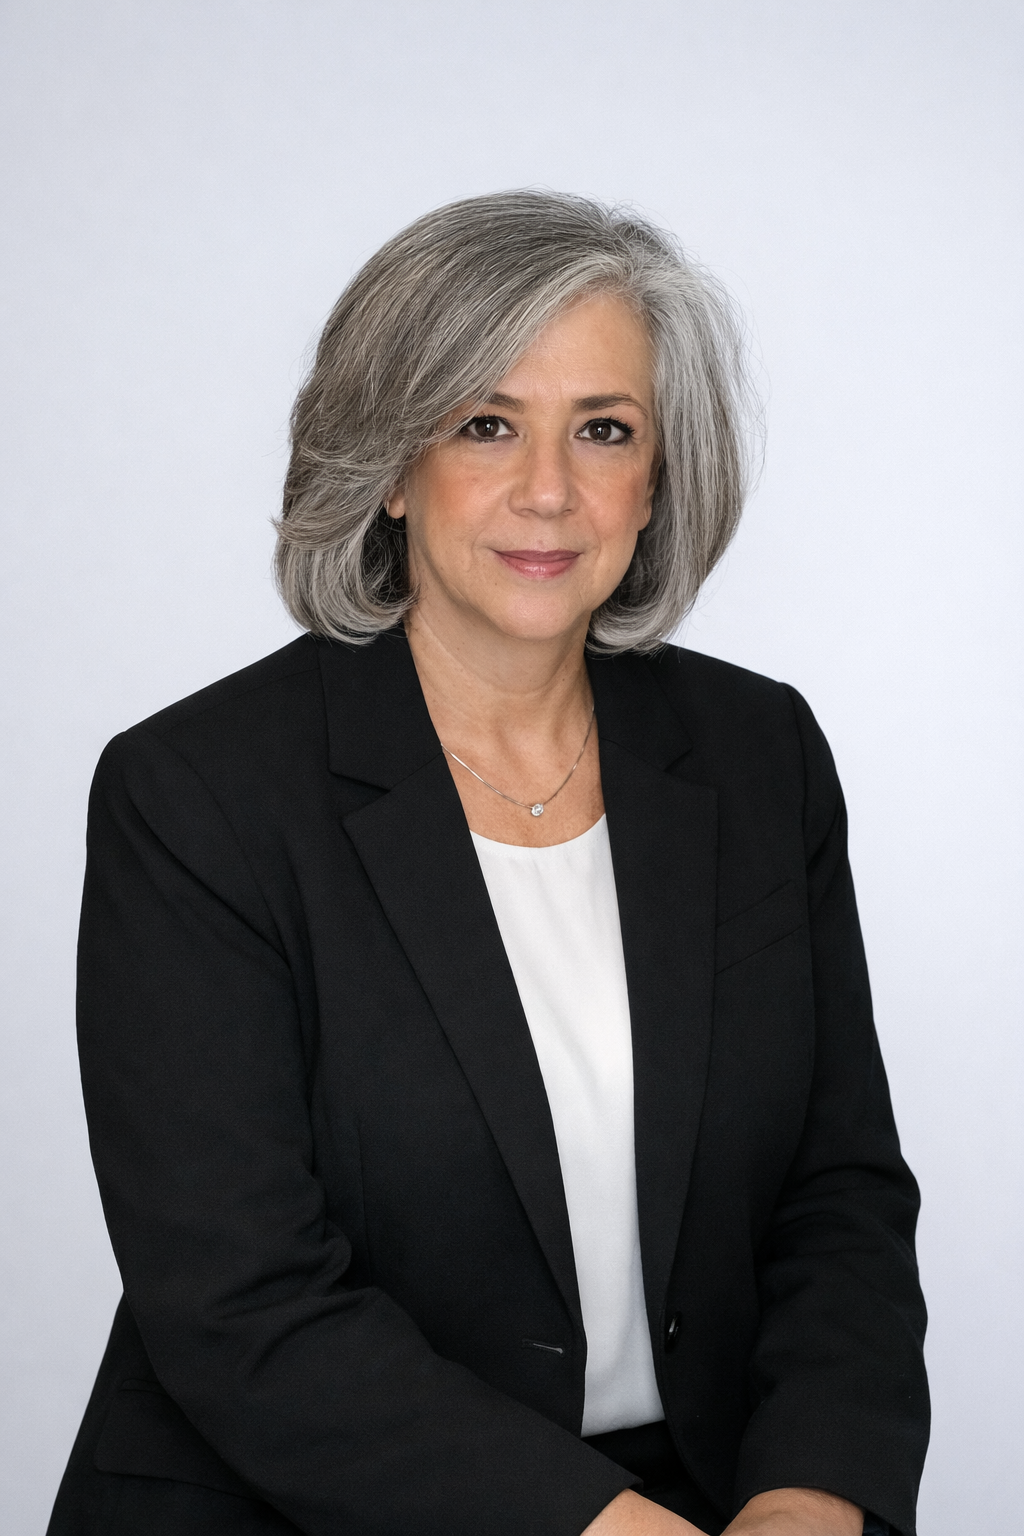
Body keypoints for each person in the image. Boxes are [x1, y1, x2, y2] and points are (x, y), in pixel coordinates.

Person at [47, 191, 928, 1536]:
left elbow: (836, 1191)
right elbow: (241, 1299)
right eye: (486, 423)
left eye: (605, 430)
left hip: (696, 1497)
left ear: (658, 476)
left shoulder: (759, 755)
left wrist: (808, 1500)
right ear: (391, 465)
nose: (549, 491)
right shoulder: (198, 795)